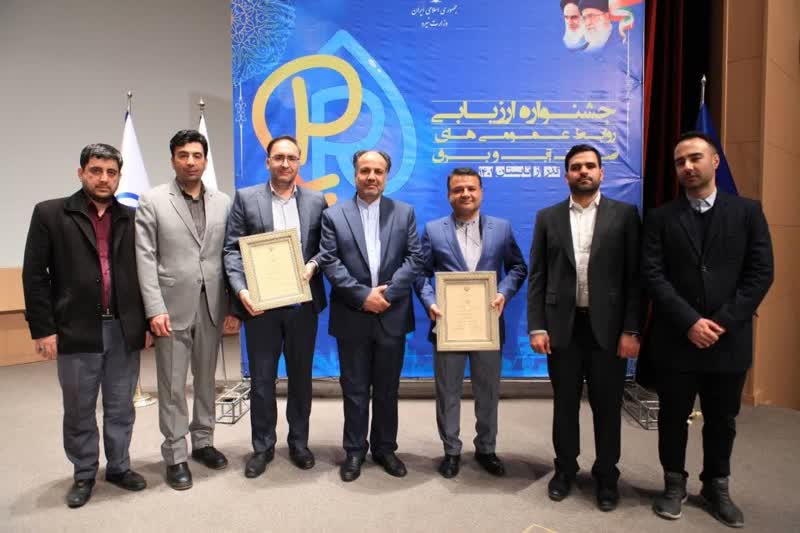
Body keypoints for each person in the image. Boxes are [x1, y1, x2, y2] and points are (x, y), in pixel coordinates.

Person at [643, 131, 773, 527]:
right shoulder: (660, 218)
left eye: (695, 158)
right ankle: (673, 483)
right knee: (672, 417)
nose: (687, 166)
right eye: (680, 161)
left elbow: (760, 273)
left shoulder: (748, 212)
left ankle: (717, 486)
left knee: (722, 420)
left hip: (727, 340)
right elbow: (653, 275)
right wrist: (690, 321)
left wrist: (720, 323)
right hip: (676, 339)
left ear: (714, 162)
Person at [22, 143, 148, 508]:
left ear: (119, 177)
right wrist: (43, 329)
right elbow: (35, 276)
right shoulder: (50, 214)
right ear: (81, 173)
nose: (104, 178)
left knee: (121, 406)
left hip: (123, 329)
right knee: (79, 408)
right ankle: (84, 472)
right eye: (96, 171)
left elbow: (144, 273)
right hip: (76, 329)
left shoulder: (133, 217)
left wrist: (143, 324)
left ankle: (119, 467)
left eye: (111, 172)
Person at [528, 144, 642, 511]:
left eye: (590, 166)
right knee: (564, 405)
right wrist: (536, 327)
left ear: (601, 173)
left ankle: (607, 476)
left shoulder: (625, 215)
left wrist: (631, 330)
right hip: (563, 328)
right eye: (576, 167)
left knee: (607, 407)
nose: (583, 171)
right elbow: (538, 276)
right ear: (566, 175)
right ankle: (565, 470)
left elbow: (635, 278)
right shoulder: (548, 217)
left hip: (608, 329)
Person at [135, 130, 239, 490]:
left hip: (212, 304)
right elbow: (145, 258)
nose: (190, 162)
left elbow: (229, 255)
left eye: (197, 155)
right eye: (183, 155)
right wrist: (154, 308)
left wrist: (232, 305)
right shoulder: (152, 200)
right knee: (173, 385)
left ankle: (204, 441)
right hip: (170, 307)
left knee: (207, 380)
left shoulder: (224, 202)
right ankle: (175, 454)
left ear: (205, 160)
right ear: (173, 159)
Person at [223, 135, 327, 478]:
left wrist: (312, 265)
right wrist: (241, 291)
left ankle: (299, 443)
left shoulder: (316, 201)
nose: (285, 163)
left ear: (299, 162)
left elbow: (326, 248)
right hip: (261, 307)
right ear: (268, 162)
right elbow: (232, 250)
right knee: (262, 380)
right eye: (278, 157)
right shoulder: (246, 198)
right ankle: (263, 447)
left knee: (301, 379)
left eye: (291, 158)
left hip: (302, 305)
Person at [318, 149, 423, 482]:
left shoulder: (404, 213)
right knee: (354, 388)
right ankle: (354, 451)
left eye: (378, 171)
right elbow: (330, 261)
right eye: (365, 170)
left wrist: (386, 296)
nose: (371, 177)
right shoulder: (333, 215)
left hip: (392, 313)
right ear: (355, 174)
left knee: (388, 389)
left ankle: (385, 448)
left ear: (386, 176)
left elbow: (414, 259)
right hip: (352, 314)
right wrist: (363, 296)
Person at [414, 167, 527, 479]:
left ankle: (486, 448)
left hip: (488, 325)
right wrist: (430, 302)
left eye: (471, 188)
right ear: (449, 195)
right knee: (447, 391)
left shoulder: (502, 228)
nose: (465, 194)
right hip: (447, 325)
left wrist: (503, 293)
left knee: (487, 390)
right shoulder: (433, 230)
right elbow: (420, 273)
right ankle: (451, 450)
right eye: (458, 189)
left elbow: (518, 267)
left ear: (481, 192)